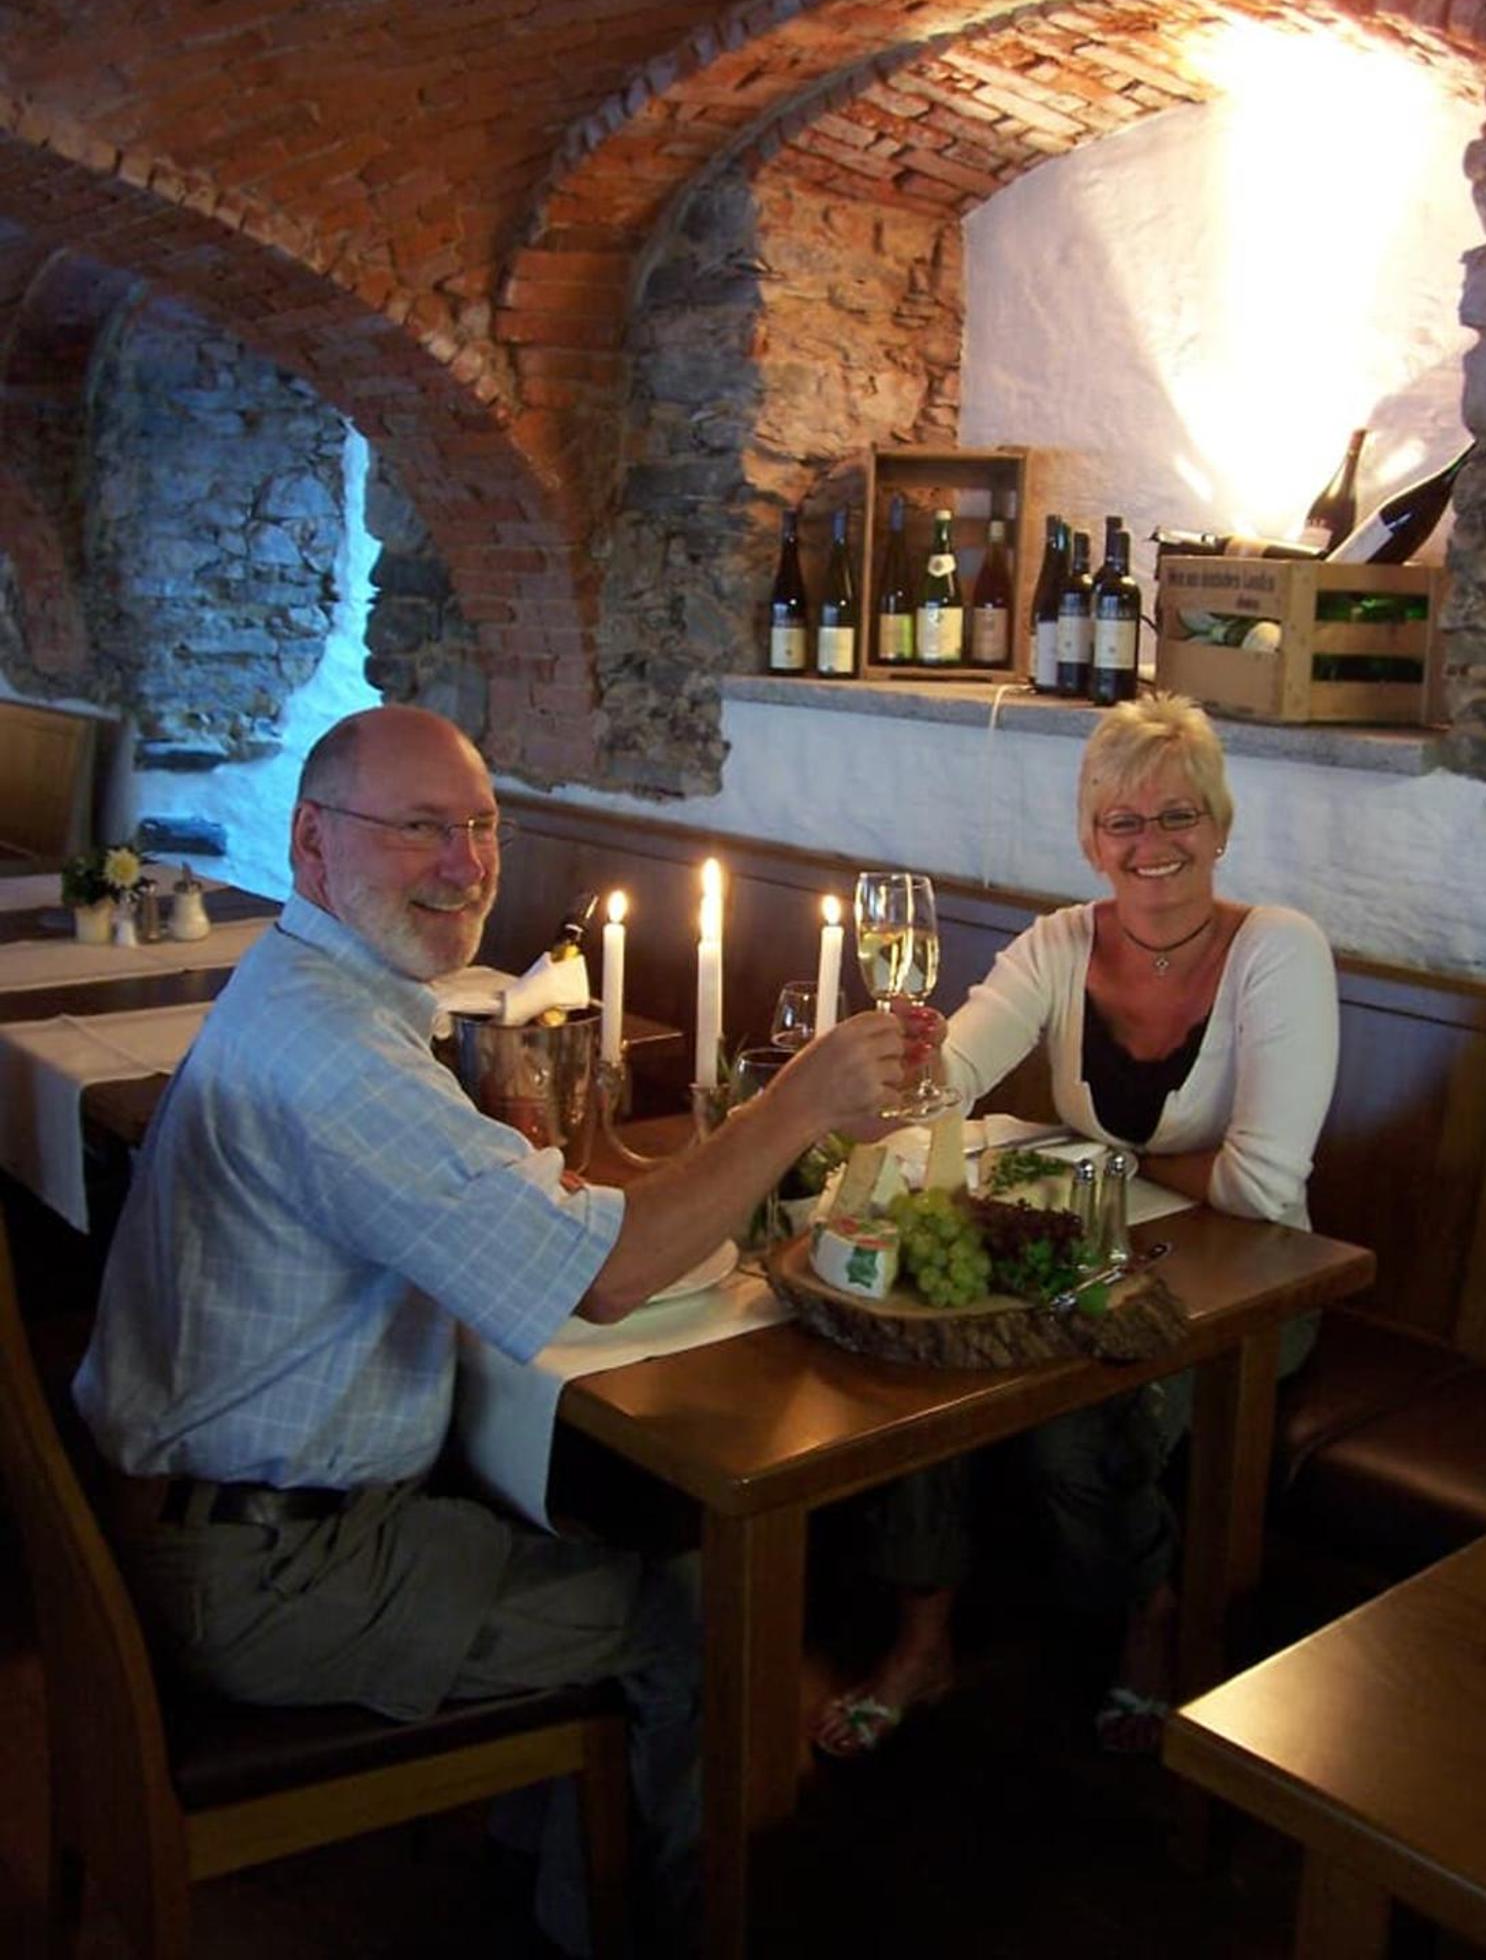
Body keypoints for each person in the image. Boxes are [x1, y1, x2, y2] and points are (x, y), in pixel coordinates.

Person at [74, 704, 916, 1954]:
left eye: (482, 827)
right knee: (704, 1618)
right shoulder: (334, 1051)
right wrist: (796, 1103)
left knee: (601, 1512)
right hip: (272, 1575)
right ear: (311, 841)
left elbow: (478, 1219)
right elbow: (611, 1276)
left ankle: (559, 1881)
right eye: (421, 828)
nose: (466, 865)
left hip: (217, 1517)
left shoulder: (310, 987)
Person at [813, 692, 1338, 1759]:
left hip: (1253, 1284)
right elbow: (951, 1079)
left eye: (1179, 814)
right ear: (1092, 840)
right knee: (926, 1350)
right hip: (1093, 1257)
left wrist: (1107, 1161)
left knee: (1077, 1416)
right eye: (1123, 820)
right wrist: (899, 1060)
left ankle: (1151, 1618)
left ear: (1220, 827)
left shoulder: (1278, 951)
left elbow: (1260, 1183)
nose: (1152, 843)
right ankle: (924, 1638)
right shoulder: (1058, 943)